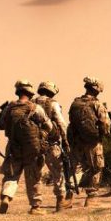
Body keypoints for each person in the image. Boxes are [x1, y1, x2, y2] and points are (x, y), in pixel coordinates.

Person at [0, 80, 53, 215]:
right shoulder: (35, 108)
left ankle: (6, 197)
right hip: (32, 148)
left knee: (11, 176)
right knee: (33, 177)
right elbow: (49, 126)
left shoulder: (8, 108)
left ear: (18, 92)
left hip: (13, 147)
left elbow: (2, 126)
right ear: (30, 93)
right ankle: (35, 207)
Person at [68, 76, 110, 207]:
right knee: (96, 167)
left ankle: (67, 196)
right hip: (93, 141)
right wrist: (104, 134)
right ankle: (91, 198)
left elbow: (71, 121)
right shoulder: (97, 104)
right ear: (97, 90)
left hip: (77, 141)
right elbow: (105, 124)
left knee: (76, 169)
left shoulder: (75, 103)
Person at [33, 81, 72, 211]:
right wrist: (66, 141)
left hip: (35, 144)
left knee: (35, 174)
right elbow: (61, 123)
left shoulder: (31, 103)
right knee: (57, 173)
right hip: (51, 144)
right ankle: (60, 201)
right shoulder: (53, 104)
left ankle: (36, 204)